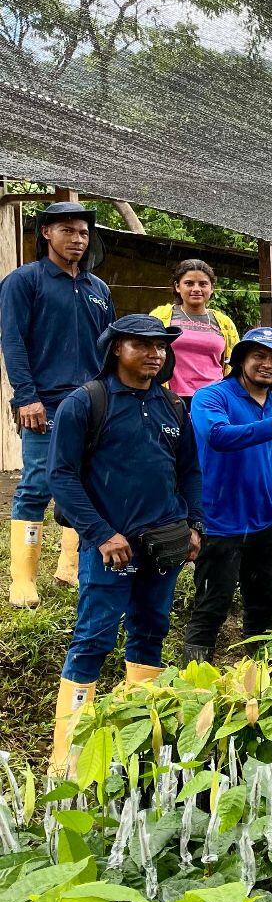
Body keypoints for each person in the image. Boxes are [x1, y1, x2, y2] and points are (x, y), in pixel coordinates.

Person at [46, 315, 201, 774]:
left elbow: (190, 471)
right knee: (93, 639)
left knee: (151, 632)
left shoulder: (173, 406)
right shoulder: (85, 403)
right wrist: (101, 534)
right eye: (142, 345)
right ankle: (67, 755)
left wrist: (194, 526)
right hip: (110, 548)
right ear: (116, 348)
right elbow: (62, 477)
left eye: (161, 346)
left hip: (163, 546)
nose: (155, 353)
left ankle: (135, 741)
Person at [3, 202, 116, 607]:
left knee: (87, 483)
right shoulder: (24, 280)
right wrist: (26, 397)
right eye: (67, 230)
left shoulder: (98, 289)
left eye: (84, 233)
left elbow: (110, 349)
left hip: (92, 403)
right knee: (38, 483)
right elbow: (13, 341)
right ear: (46, 233)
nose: (77, 239)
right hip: (44, 403)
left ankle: (70, 567)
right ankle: (22, 580)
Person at [184, 327, 272, 662]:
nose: (268, 364)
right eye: (259, 356)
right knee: (212, 605)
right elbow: (217, 436)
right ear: (241, 360)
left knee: (262, 606)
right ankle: (193, 679)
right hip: (220, 522)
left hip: (267, 522)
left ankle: (261, 676)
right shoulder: (212, 397)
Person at [150, 259, 240, 403]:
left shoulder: (225, 323)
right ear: (177, 286)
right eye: (189, 283)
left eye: (203, 284)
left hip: (215, 399)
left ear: (212, 288)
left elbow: (236, 363)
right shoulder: (160, 316)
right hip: (169, 398)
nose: (196, 289)